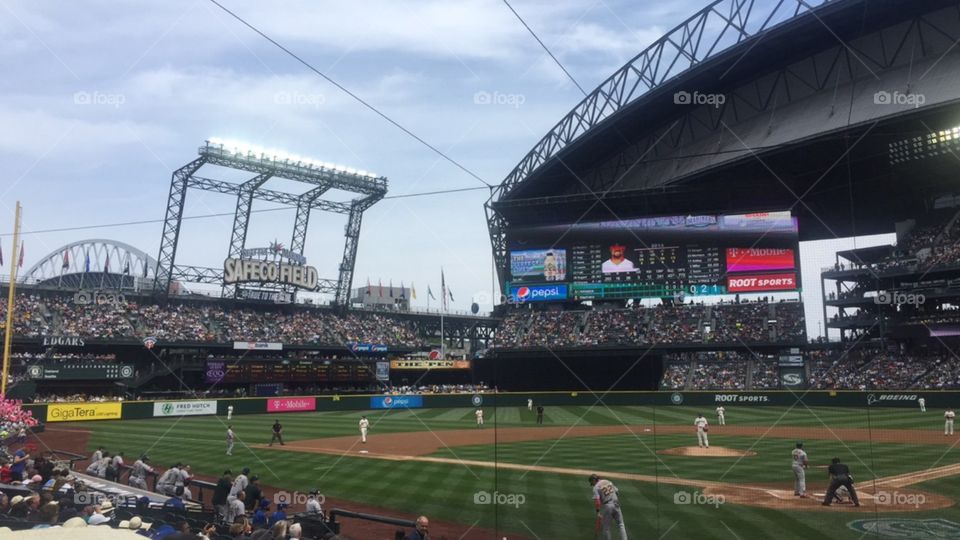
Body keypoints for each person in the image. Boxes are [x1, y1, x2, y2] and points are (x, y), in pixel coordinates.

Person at [589, 474, 627, 540]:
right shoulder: (608, 481)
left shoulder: (596, 487)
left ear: (594, 480)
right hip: (616, 503)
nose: (592, 484)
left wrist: (598, 512)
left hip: (608, 506)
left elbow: (597, 501)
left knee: (606, 528)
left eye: (591, 482)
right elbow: (617, 492)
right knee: (621, 524)